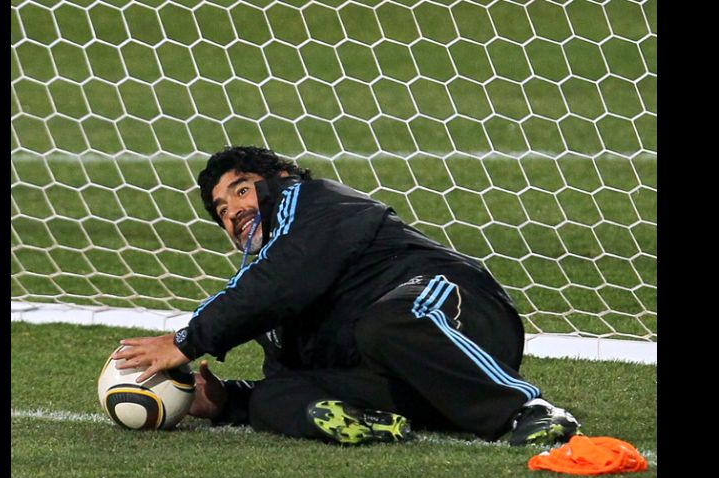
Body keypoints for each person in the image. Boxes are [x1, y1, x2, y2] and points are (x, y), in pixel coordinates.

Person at [113, 146, 580, 446]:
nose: (233, 210)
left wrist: (186, 339)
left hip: (460, 314)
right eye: (221, 210)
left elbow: (285, 276)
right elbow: (293, 366)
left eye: (241, 190)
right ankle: (367, 421)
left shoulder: (311, 201)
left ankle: (527, 409)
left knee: (390, 322)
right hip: (412, 377)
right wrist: (225, 402)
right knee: (275, 393)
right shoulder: (269, 294)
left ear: (280, 177)